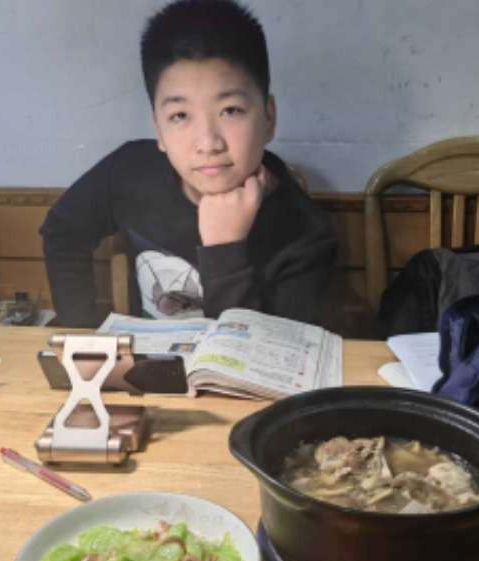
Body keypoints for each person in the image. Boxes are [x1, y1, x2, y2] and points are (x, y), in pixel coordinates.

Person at [41, 0, 338, 328]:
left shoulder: (306, 236)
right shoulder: (131, 171)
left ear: (269, 118)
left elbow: (261, 353)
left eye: (231, 110)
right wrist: (80, 331)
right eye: (180, 115)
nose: (208, 143)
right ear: (159, 129)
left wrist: (225, 249)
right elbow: (62, 230)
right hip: (146, 360)